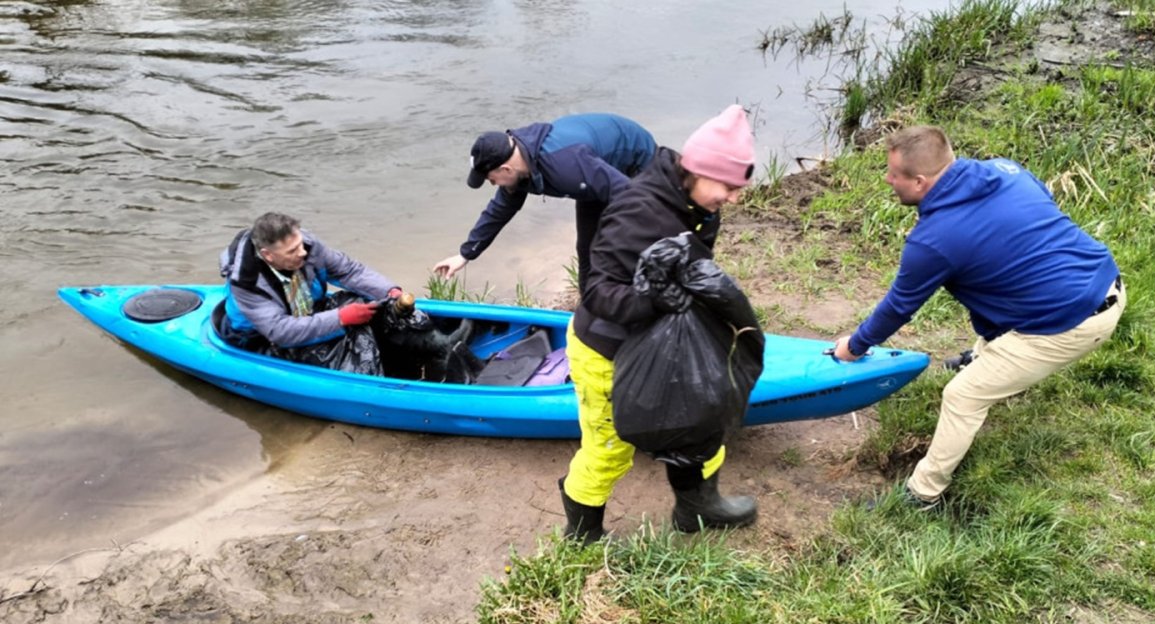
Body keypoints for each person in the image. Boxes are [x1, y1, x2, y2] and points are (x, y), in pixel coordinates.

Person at [831, 125, 1125, 509]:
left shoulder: (934, 240)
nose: (888, 180)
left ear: (920, 182)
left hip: (1071, 323)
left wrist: (854, 347)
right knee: (1006, 289)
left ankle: (923, 493)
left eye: (894, 175)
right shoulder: (1007, 170)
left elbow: (899, 307)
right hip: (1106, 278)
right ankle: (983, 357)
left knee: (962, 395)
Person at [558, 104, 758, 541]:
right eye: (729, 186)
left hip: (662, 340)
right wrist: (653, 301)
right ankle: (582, 535)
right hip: (606, 349)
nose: (735, 197)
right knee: (609, 451)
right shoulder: (639, 209)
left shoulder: (699, 204)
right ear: (700, 170)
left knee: (703, 419)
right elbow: (597, 291)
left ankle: (698, 509)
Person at [433, 113, 660, 293]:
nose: (493, 185)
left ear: (505, 169)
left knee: (627, 240)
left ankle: (653, 294)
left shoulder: (567, 166)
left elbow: (631, 197)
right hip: (596, 173)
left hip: (634, 159)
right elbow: (499, 211)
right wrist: (465, 255)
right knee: (588, 249)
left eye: (491, 179)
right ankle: (589, 312)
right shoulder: (520, 166)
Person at [218, 212, 402, 373]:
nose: (302, 253)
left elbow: (348, 270)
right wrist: (340, 318)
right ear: (268, 255)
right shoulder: (246, 283)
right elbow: (280, 332)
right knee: (344, 349)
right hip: (261, 339)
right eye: (292, 251)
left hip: (306, 311)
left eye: (299, 244)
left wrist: (388, 290)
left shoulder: (307, 245)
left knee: (362, 302)